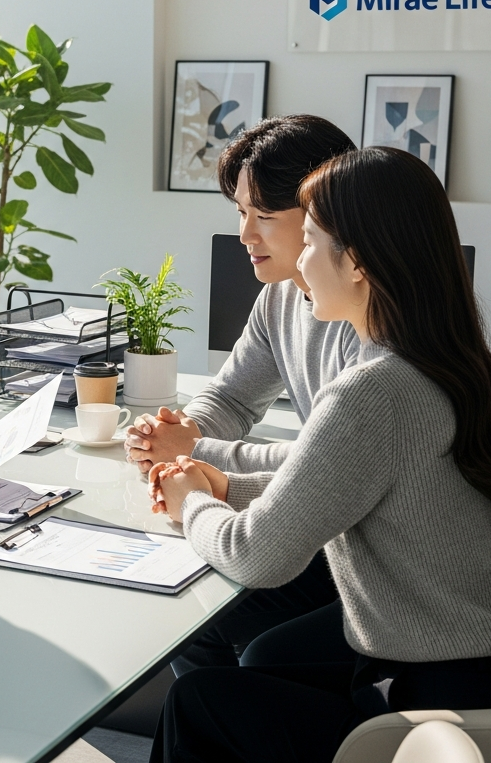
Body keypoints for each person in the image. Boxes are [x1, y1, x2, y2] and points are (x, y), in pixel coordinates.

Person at [148, 147, 491, 763]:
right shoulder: (453, 363)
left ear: (357, 261)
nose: (300, 264)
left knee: (201, 700)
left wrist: (193, 500)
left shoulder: (371, 392)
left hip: (434, 703)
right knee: (267, 663)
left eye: (308, 242)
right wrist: (228, 486)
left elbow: (257, 556)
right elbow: (361, 479)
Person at [126, 115, 358, 671]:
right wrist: (182, 431)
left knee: (208, 606)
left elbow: (331, 453)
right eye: (240, 212)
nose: (244, 236)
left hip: (356, 547)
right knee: (184, 620)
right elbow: (230, 399)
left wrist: (197, 457)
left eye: (265, 217)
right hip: (320, 521)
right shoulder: (281, 297)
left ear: (324, 215)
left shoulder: (367, 316)